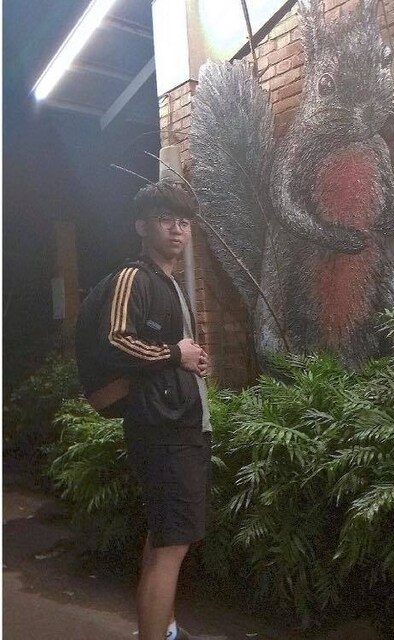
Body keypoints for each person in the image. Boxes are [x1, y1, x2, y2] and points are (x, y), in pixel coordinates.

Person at [99, 179, 217, 640]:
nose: (177, 229)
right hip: (163, 431)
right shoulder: (135, 277)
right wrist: (174, 355)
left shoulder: (170, 285)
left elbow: (174, 353)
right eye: (165, 219)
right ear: (141, 226)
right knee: (171, 548)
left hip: (182, 426)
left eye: (184, 221)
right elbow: (116, 339)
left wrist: (193, 360)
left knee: (165, 539)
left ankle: (165, 628)